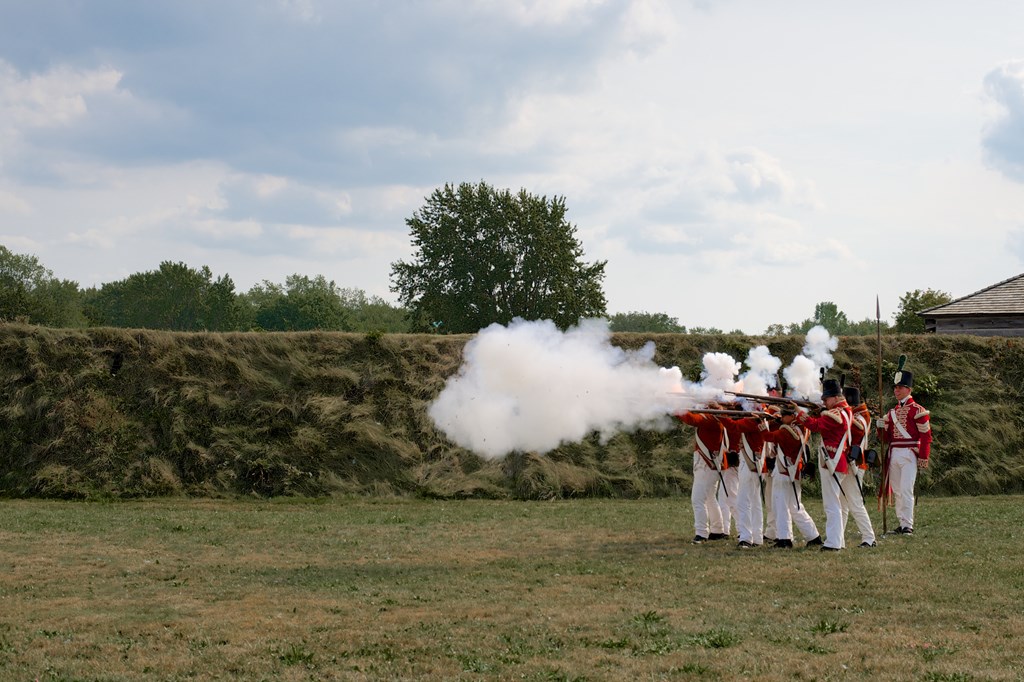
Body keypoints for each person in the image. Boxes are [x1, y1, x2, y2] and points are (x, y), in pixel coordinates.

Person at [795, 378, 852, 551]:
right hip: (837, 461)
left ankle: (833, 543)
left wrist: (799, 413)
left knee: (831, 505)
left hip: (832, 462)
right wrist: (821, 410)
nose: (824, 402)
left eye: (826, 399)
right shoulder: (844, 410)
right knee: (835, 504)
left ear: (835, 397)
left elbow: (815, 426)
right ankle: (838, 541)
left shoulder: (835, 414)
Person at [877, 366, 932, 534]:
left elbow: (926, 437)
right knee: (898, 490)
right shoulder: (891, 412)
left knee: (906, 489)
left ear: (908, 389)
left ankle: (908, 525)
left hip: (909, 453)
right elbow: (886, 439)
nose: (896, 390)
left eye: (900, 387)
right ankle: (902, 523)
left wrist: (924, 456)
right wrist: (880, 428)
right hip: (894, 453)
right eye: (895, 387)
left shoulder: (918, 410)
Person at [762, 411, 822, 548]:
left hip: (784, 471)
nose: (782, 418)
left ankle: (785, 539)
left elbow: (767, 436)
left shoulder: (787, 431)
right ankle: (813, 536)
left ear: (792, 416)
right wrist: (779, 421)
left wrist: (762, 424)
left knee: (780, 505)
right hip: (792, 470)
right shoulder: (802, 428)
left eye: (784, 415)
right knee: (795, 506)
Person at [676, 408, 730, 544]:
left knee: (697, 499)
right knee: (710, 498)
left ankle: (701, 533)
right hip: (710, 464)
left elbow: (691, 419)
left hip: (706, 465)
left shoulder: (711, 419)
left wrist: (676, 406)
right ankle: (717, 530)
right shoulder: (717, 417)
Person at [840, 386, 877, 548]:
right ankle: (837, 536)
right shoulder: (855, 414)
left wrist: (842, 412)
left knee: (855, 503)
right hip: (847, 463)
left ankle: (869, 537)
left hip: (854, 463)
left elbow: (858, 428)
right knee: (841, 503)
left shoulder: (862, 416)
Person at [729, 412, 770, 548]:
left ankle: (746, 538)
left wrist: (720, 415)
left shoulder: (752, 421)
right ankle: (757, 537)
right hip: (756, 464)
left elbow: (733, 425)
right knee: (755, 501)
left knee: (743, 501)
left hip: (749, 464)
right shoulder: (762, 418)